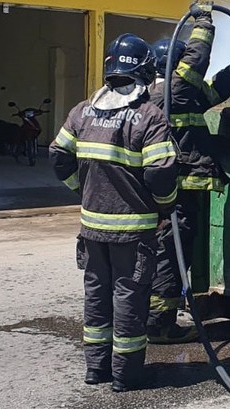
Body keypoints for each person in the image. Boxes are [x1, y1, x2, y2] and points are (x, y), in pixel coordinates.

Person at [49, 33, 178, 392]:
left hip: (91, 231)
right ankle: (126, 375)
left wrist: (82, 190)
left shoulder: (82, 111)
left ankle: (96, 368)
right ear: (147, 71)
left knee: (96, 295)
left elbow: (58, 156)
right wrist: (165, 206)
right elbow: (161, 174)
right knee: (129, 300)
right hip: (133, 232)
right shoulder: (149, 116)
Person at [146, 6, 230, 344]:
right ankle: (159, 324)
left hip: (176, 190)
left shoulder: (180, 94)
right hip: (173, 191)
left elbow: (220, 85)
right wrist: (203, 21)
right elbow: (198, 60)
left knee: (171, 252)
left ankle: (154, 316)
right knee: (170, 253)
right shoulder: (170, 92)